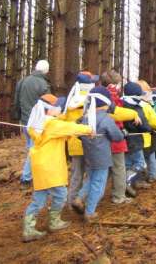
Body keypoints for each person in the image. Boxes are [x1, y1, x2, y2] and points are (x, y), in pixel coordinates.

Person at [22, 94, 93, 242]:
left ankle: (30, 227)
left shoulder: (42, 122)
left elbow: (61, 125)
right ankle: (53, 222)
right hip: (49, 167)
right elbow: (71, 127)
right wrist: (89, 129)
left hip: (41, 166)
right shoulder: (53, 125)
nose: (60, 109)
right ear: (49, 110)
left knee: (39, 198)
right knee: (60, 194)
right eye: (57, 107)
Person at [80, 86, 124, 222]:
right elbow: (117, 136)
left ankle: (78, 199)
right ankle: (90, 212)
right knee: (98, 184)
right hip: (102, 157)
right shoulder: (106, 118)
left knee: (90, 179)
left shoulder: (85, 117)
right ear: (106, 102)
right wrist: (123, 134)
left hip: (88, 155)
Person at [101, 70, 141, 204]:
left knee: (103, 169)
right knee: (119, 167)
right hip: (114, 135)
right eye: (117, 83)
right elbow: (116, 114)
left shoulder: (100, 95)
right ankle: (118, 196)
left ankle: (85, 197)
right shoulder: (112, 96)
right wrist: (133, 114)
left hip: (104, 136)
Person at [12, 60, 51, 185]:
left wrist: (17, 115)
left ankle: (32, 174)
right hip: (37, 123)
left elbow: (16, 101)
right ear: (46, 71)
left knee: (31, 148)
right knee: (34, 149)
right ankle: (26, 178)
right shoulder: (43, 84)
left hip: (25, 121)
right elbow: (49, 104)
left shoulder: (23, 81)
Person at [64, 71, 98, 207]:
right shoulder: (92, 99)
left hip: (74, 144)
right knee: (90, 174)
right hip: (90, 142)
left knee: (76, 176)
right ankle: (84, 201)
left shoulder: (71, 100)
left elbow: (65, 121)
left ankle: (70, 202)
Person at [122, 82, 152, 194]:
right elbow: (144, 125)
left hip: (124, 140)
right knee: (140, 164)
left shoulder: (121, 104)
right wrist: (150, 129)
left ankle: (128, 185)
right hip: (135, 141)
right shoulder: (136, 107)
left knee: (128, 164)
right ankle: (126, 182)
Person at [137, 80, 156, 183]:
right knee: (150, 156)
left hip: (134, 138)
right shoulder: (146, 106)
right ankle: (151, 175)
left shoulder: (128, 103)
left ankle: (143, 177)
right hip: (148, 137)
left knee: (140, 158)